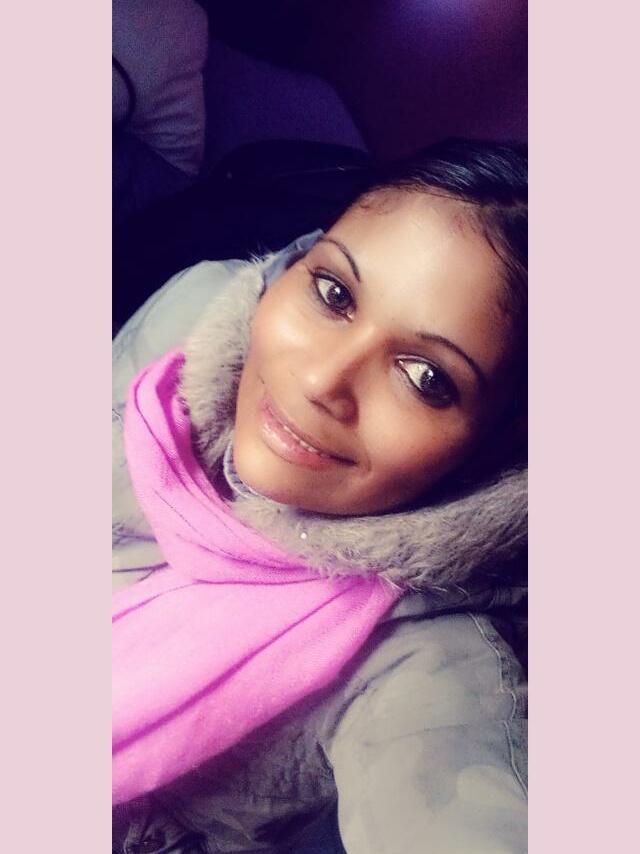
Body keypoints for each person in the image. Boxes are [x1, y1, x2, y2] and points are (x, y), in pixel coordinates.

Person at [112, 139, 527, 854]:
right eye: (335, 294)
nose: (319, 381)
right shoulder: (196, 307)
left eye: (427, 378)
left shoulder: (425, 666)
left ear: (493, 457)